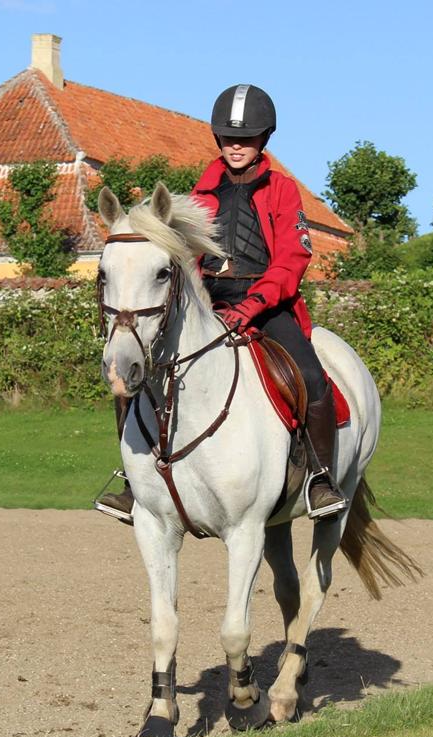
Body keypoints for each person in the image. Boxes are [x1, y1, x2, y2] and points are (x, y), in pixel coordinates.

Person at [95, 83, 347, 524]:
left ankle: (320, 479)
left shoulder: (284, 190)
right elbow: (180, 260)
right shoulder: (197, 195)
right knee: (134, 373)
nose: (236, 146)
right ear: (217, 139)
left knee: (311, 376)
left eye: (246, 138)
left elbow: (293, 258)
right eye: (229, 138)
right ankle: (134, 483)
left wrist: (252, 306)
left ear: (263, 139)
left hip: (269, 303)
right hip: (207, 303)